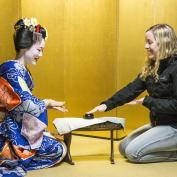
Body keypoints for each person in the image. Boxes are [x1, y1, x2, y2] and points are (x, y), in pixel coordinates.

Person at [87, 24, 177, 163]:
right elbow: (131, 89)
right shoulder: (153, 66)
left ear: (163, 42)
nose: (145, 46)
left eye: (149, 42)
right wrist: (106, 105)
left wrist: (147, 101)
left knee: (133, 153)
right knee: (123, 147)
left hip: (174, 126)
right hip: (159, 124)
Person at [0, 18, 67, 177]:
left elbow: (23, 107)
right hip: (6, 131)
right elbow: (24, 104)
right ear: (25, 47)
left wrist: (46, 106)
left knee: (58, 146)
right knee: (58, 149)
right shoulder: (11, 69)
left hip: (16, 127)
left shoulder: (21, 69)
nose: (41, 54)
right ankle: (8, 157)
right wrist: (47, 103)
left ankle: (16, 154)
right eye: (38, 49)